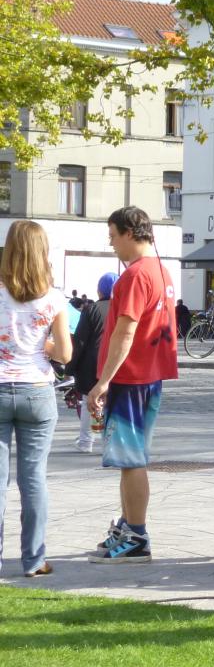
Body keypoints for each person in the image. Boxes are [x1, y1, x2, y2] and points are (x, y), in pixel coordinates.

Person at [87, 207, 179, 564]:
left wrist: (103, 381)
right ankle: (127, 526)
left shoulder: (135, 276)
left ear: (129, 232)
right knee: (132, 459)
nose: (112, 245)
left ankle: (137, 535)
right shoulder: (160, 269)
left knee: (131, 460)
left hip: (130, 377)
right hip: (150, 376)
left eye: (112, 236)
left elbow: (126, 332)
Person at [0, 221, 73, 577]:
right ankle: (33, 560)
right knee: (33, 479)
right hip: (36, 392)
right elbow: (65, 354)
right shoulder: (53, 297)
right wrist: (41, 346)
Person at [67, 273, 118, 454]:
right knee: (113, 402)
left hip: (92, 363)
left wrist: (71, 367)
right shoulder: (123, 308)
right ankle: (110, 442)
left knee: (90, 401)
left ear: (99, 289)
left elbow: (80, 341)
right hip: (117, 361)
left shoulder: (92, 309)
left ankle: (86, 441)